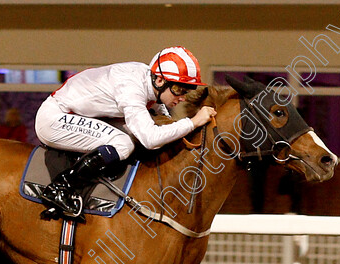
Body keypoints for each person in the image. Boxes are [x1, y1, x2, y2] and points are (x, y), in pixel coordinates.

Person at [35, 47, 217, 220]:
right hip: (55, 118)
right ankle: (61, 187)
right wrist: (193, 122)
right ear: (160, 81)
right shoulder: (131, 87)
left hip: (74, 114)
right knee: (123, 143)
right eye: (179, 89)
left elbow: (163, 126)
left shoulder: (149, 83)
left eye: (187, 91)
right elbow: (151, 138)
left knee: (131, 136)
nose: (182, 97)